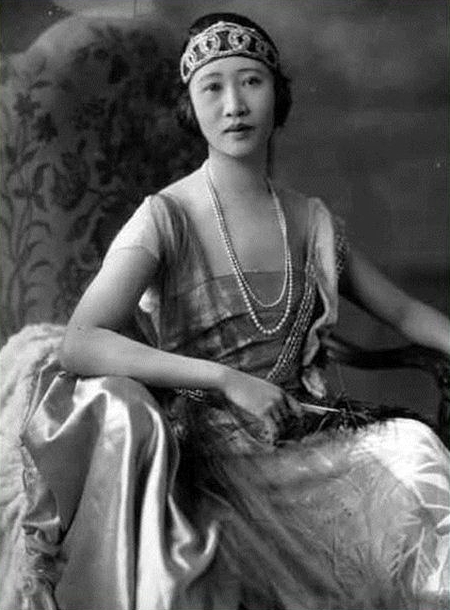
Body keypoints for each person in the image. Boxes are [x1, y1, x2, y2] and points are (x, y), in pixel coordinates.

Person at [1, 11, 449, 610]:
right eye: (212, 87)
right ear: (191, 106)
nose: (234, 105)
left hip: (300, 438)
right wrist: (226, 380)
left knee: (415, 452)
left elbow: (406, 312)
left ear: (277, 95)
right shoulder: (166, 216)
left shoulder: (309, 221)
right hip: (206, 457)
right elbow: (81, 341)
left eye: (251, 82)